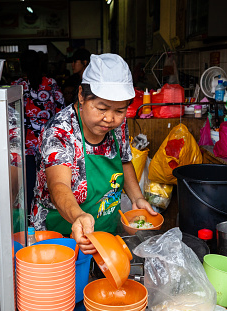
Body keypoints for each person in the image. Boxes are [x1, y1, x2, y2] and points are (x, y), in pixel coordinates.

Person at [30, 53, 156, 254]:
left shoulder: (117, 126)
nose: (110, 119)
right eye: (102, 108)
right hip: (61, 234)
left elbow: (124, 161)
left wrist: (137, 197)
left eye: (119, 111)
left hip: (104, 229)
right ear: (81, 95)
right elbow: (58, 186)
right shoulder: (60, 131)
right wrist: (78, 217)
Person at [11, 49, 64, 208]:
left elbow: (10, 116)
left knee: (27, 184)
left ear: (22, 65)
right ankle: (44, 215)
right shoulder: (51, 84)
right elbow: (61, 111)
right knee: (48, 182)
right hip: (47, 143)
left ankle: (27, 219)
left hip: (24, 144)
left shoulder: (16, 86)